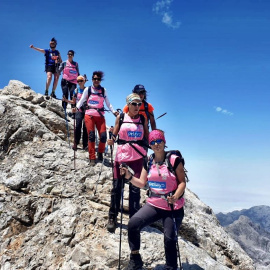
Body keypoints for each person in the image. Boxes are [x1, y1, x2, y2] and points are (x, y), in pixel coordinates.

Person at [120, 129, 186, 270]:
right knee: (133, 224)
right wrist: (129, 177)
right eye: (153, 142)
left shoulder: (174, 160)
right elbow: (142, 183)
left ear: (164, 142)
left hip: (172, 207)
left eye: (159, 141)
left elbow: (182, 183)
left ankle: (171, 267)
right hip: (154, 204)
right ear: (150, 145)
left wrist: (176, 196)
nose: (156, 144)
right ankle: (135, 258)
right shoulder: (148, 160)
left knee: (169, 239)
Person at [106, 93, 149, 233]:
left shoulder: (143, 119)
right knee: (117, 188)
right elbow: (115, 133)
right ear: (128, 105)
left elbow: (146, 137)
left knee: (135, 190)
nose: (137, 107)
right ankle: (112, 217)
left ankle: (134, 219)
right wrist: (111, 138)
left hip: (137, 157)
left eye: (139, 104)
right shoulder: (122, 117)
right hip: (122, 156)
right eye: (134, 104)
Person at [73, 71, 118, 165]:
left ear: (100, 80)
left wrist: (113, 111)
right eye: (94, 79)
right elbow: (81, 100)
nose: (96, 80)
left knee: (103, 136)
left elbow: (108, 103)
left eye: (98, 79)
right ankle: (92, 158)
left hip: (100, 116)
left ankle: (100, 153)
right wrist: (76, 108)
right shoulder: (88, 89)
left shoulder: (103, 90)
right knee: (91, 136)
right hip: (89, 115)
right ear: (92, 79)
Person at [63, 75, 88, 151]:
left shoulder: (88, 90)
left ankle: (85, 145)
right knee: (78, 126)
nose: (79, 82)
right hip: (78, 110)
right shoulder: (76, 90)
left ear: (84, 81)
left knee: (86, 127)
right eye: (78, 81)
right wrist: (66, 100)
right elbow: (74, 101)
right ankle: (76, 143)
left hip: (87, 110)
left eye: (81, 80)